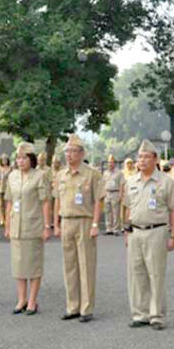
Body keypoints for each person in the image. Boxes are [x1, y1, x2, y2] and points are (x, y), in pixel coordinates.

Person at [122, 139, 174, 330]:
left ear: (155, 159)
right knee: (136, 274)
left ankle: (156, 315)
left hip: (157, 231)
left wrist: (173, 235)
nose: (142, 160)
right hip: (135, 231)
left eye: (147, 156)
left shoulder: (165, 181)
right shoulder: (131, 181)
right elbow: (127, 208)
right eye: (140, 157)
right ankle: (140, 314)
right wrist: (126, 231)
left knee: (156, 274)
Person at [53, 134, 105, 323]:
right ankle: (72, 306)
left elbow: (98, 201)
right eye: (67, 151)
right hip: (67, 220)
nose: (69, 155)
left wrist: (94, 224)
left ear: (82, 153)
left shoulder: (91, 174)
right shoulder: (60, 175)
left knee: (86, 265)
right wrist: (55, 223)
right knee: (70, 266)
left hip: (84, 220)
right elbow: (56, 200)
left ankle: (86, 308)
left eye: (73, 151)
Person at [4, 142, 51, 315]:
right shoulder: (12, 176)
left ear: (31, 159)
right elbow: (9, 201)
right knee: (18, 265)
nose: (20, 161)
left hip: (33, 225)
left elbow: (45, 202)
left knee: (33, 264)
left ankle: (32, 301)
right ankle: (21, 299)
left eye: (24, 158)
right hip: (16, 226)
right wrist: (7, 225)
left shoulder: (40, 176)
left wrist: (47, 226)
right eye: (18, 158)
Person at [103, 155, 124, 235]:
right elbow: (103, 183)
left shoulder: (119, 173)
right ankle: (108, 228)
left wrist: (121, 194)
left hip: (115, 192)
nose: (110, 164)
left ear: (114, 163)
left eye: (111, 163)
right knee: (107, 211)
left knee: (116, 211)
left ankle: (115, 229)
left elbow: (122, 184)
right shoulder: (105, 173)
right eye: (109, 163)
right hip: (107, 193)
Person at [0, 154, 12, 227]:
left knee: (7, 204)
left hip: (8, 187)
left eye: (6, 160)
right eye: (3, 160)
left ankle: (7, 219)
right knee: (1, 204)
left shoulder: (10, 168)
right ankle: (2, 219)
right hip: (0, 187)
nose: (4, 161)